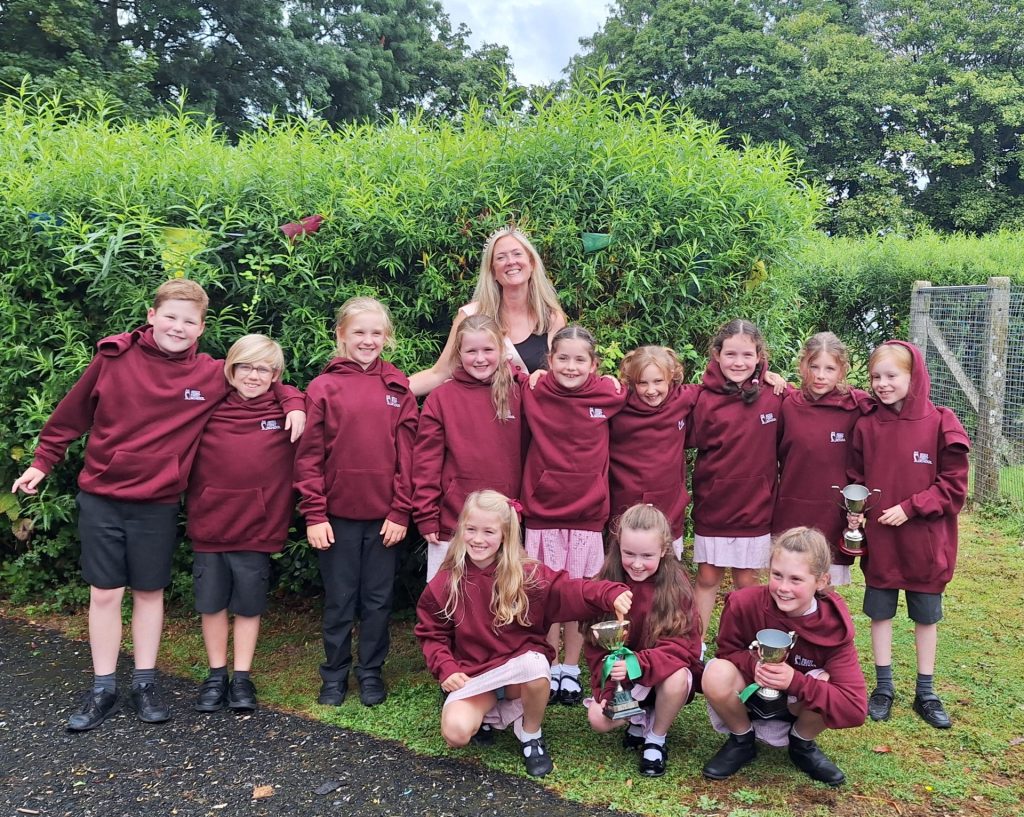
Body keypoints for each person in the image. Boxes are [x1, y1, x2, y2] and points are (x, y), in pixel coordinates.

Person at [10, 279, 305, 731]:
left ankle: (145, 684)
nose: (177, 327)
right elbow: (72, 413)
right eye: (170, 317)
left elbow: (260, 378)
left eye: (189, 321)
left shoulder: (209, 374)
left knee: (149, 592)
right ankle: (103, 688)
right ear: (151, 316)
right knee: (105, 593)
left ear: (202, 328)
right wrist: (42, 462)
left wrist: (293, 401)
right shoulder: (114, 358)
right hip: (103, 496)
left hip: (158, 501)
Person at [415, 490, 632, 777]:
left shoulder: (527, 574)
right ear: (461, 529)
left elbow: (570, 590)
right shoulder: (446, 581)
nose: (478, 539)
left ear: (505, 535)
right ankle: (487, 714)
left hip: (519, 673)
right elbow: (432, 632)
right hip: (476, 674)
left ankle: (531, 734)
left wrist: (609, 593)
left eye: (489, 531)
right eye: (471, 529)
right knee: (456, 733)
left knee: (535, 665)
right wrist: (446, 667)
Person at [294, 296, 418, 708]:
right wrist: (315, 514)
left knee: (378, 601)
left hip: (386, 520)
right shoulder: (323, 387)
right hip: (335, 519)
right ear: (341, 335)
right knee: (340, 599)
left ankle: (370, 672)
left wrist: (401, 511)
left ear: (387, 337)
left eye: (376, 333)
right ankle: (334, 675)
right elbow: (309, 457)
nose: (368, 340)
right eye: (359, 332)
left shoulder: (398, 387)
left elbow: (409, 458)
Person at [847, 340, 970, 729]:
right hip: (882, 542)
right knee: (879, 613)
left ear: (914, 376)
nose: (882, 384)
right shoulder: (867, 426)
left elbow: (953, 487)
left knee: (926, 617)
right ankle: (883, 687)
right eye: (875, 377)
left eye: (891, 376)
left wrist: (911, 507)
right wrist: (856, 511)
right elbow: (855, 478)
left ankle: (926, 692)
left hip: (926, 543)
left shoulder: (941, 422)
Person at [186, 334, 303, 713]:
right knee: (212, 603)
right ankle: (215, 675)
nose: (254, 376)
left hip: (257, 526)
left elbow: (299, 397)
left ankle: (241, 677)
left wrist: (292, 400)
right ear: (231, 370)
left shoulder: (286, 411)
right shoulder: (208, 405)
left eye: (263, 369)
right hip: (210, 523)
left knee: (249, 605)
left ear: (276, 375)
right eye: (246, 367)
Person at [701, 527, 867, 786]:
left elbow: (855, 709)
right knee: (715, 671)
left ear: (821, 581)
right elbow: (727, 651)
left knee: (826, 681)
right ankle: (742, 739)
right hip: (751, 697)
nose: (783, 588)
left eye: (796, 579)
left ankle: (801, 744)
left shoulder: (834, 626)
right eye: (777, 575)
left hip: (798, 705)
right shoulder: (743, 603)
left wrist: (794, 681)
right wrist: (755, 665)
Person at [520, 325, 626, 706]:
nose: (570, 366)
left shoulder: (608, 394)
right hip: (543, 512)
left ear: (594, 364)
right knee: (546, 594)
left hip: (587, 513)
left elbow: (653, 391)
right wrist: (531, 375)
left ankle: (571, 668)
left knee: (580, 594)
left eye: (580, 359)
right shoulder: (534, 390)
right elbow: (501, 365)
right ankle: (548, 666)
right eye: (562, 358)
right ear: (549, 361)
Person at [582, 504, 703, 777]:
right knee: (598, 719)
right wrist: (608, 685)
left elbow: (684, 649)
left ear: (664, 550)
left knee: (677, 678)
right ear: (618, 546)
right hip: (624, 679)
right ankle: (637, 719)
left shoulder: (677, 587)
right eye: (629, 553)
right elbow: (595, 644)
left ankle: (656, 738)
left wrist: (636, 664)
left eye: (647, 555)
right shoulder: (606, 582)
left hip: (661, 675)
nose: (637, 564)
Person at [687, 319, 789, 641]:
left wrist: (776, 379)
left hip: (755, 508)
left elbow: (809, 410)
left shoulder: (776, 395)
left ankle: (747, 645)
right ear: (717, 355)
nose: (739, 362)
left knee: (747, 582)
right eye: (730, 354)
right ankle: (695, 648)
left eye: (747, 355)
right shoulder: (702, 399)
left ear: (759, 356)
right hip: (714, 505)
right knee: (707, 578)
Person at [412, 314, 527, 581]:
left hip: (504, 525)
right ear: (458, 353)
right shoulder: (441, 397)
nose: (480, 358)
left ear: (501, 350)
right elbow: (426, 462)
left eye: (488, 350)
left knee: (501, 596)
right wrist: (426, 514)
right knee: (448, 596)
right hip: (454, 522)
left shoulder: (519, 392)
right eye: (471, 351)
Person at [408, 227, 567, 396]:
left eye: (517, 254)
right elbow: (438, 374)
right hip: (484, 411)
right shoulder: (471, 315)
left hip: (533, 411)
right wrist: (392, 392)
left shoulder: (551, 319)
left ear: (532, 263)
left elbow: (562, 377)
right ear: (492, 271)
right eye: (501, 257)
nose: (510, 261)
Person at [773, 332, 873, 585]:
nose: (820, 375)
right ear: (802, 366)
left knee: (824, 586)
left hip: (831, 512)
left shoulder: (857, 408)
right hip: (791, 509)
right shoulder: (788, 405)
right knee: (790, 582)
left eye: (829, 369)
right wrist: (767, 374)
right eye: (814, 366)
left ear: (842, 371)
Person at [608, 347, 701, 561]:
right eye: (643, 383)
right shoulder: (617, 404)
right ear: (632, 382)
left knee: (667, 568)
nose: (651, 390)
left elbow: (722, 388)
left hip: (669, 506)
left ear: (671, 377)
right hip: (626, 507)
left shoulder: (683, 399)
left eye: (658, 381)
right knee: (627, 567)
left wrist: (761, 375)